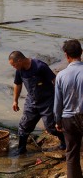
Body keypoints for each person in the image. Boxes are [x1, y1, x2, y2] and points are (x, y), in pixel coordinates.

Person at [8, 51, 66, 155]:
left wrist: (59, 98)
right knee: (24, 125)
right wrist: (15, 101)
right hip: (32, 101)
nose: (13, 67)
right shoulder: (19, 70)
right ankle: (21, 149)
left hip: (47, 101)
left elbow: (55, 81)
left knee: (51, 127)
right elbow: (17, 84)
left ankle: (64, 142)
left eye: (14, 65)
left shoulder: (40, 66)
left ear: (20, 60)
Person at [54, 39, 83, 178]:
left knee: (72, 154)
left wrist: (58, 121)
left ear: (66, 55)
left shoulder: (61, 75)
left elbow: (58, 103)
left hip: (69, 119)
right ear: (81, 53)